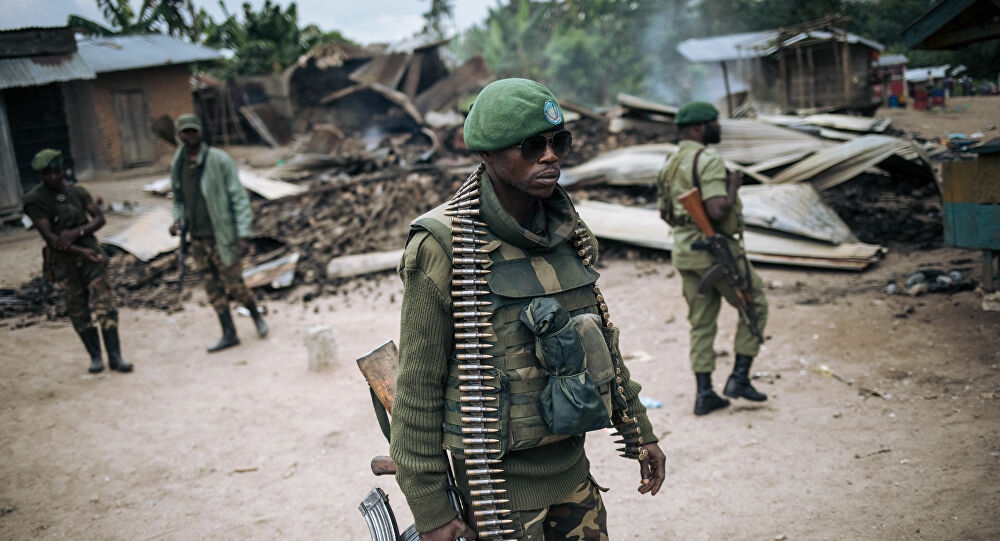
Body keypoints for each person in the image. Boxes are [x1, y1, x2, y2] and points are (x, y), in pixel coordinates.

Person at [389, 78, 666, 541]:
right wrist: (432, 511)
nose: (551, 156)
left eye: (560, 142)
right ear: (487, 154)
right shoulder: (443, 247)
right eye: (532, 146)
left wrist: (640, 430)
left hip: (573, 476)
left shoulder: (569, 231)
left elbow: (601, 343)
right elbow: (416, 391)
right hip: (496, 490)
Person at [655, 102, 769, 416]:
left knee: (701, 322)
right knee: (754, 304)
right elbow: (717, 209)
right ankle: (739, 378)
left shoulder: (671, 162)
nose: (719, 127)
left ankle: (704, 393)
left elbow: (665, 212)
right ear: (698, 128)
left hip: (684, 251)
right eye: (714, 123)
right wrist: (733, 187)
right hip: (714, 250)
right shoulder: (708, 160)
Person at [22, 149, 133, 374]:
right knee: (77, 308)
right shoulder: (35, 201)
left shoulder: (78, 192)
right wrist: (80, 250)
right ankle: (95, 357)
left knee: (105, 304)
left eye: (56, 172)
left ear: (62, 170)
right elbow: (52, 239)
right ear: (40, 176)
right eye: (46, 174)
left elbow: (100, 218)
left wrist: (78, 232)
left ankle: (115, 356)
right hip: (64, 261)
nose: (52, 177)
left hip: (92, 256)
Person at [167, 113, 268, 352]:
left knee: (235, 284)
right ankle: (229, 333)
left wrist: (243, 234)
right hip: (197, 239)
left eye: (194, 131)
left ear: (201, 132)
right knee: (212, 288)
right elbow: (178, 199)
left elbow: (239, 198)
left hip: (222, 236)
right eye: (185, 132)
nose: (190, 136)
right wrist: (176, 221)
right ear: (179, 135)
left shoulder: (219, 161)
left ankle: (256, 316)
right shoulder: (178, 164)